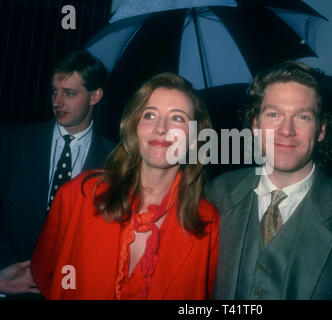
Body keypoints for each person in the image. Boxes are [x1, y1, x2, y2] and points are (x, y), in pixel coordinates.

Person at [208, 60, 332, 299]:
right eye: (274, 114)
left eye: (303, 117)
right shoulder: (217, 193)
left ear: (322, 129)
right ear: (255, 125)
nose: (286, 130)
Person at [31, 73, 219, 300]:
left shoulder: (209, 222)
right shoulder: (78, 194)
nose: (161, 127)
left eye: (177, 118)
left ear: (194, 138)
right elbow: (46, 273)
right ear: (134, 127)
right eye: (150, 115)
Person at [0, 50, 115, 296]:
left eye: (69, 93)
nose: (57, 102)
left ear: (95, 96)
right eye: (54, 91)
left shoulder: (116, 161)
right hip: (12, 284)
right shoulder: (13, 142)